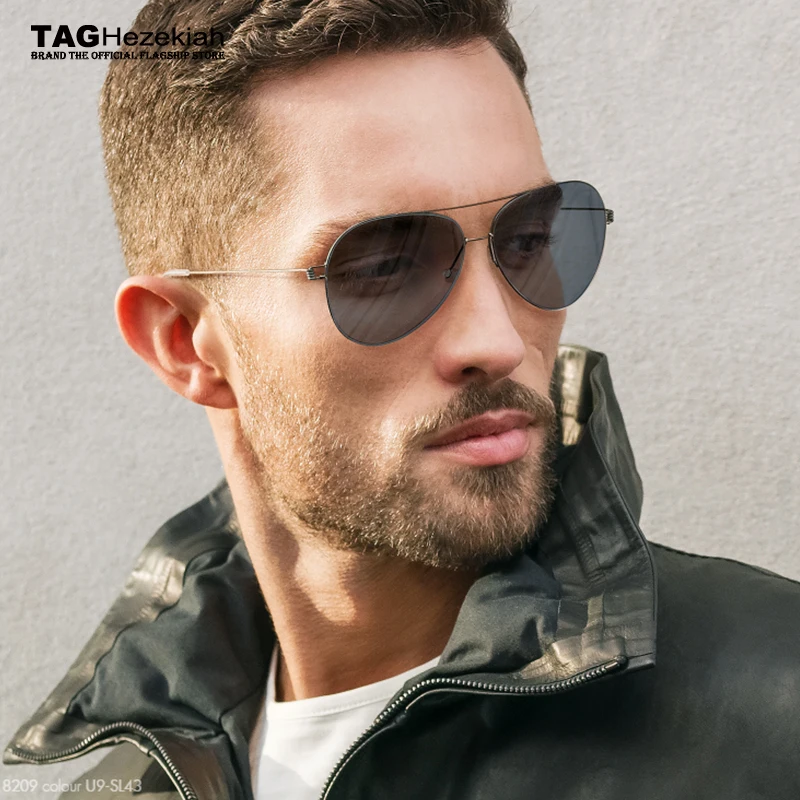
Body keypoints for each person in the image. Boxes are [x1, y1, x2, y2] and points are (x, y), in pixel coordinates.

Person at [5, 1, 800, 798]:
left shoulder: (772, 719)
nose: (496, 338)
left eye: (528, 241)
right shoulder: (126, 790)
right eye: (384, 265)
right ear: (185, 342)